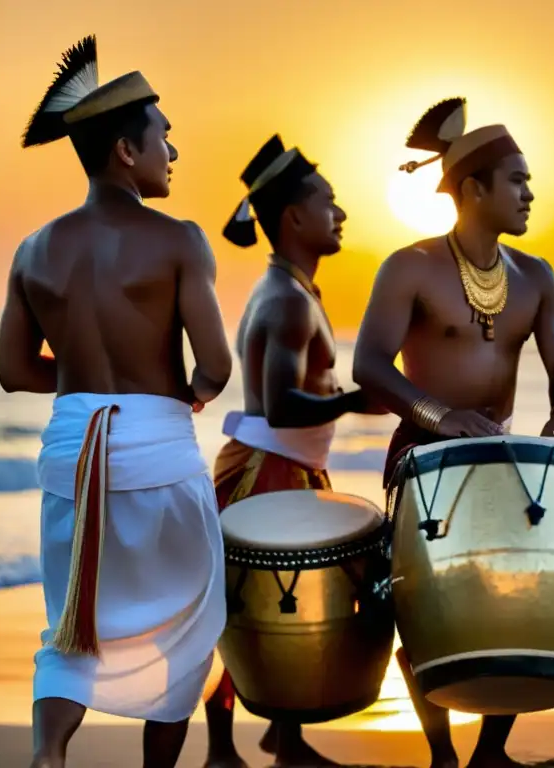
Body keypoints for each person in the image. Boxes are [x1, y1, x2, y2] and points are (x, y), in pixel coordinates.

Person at [0, 35, 232, 768]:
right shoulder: (180, 242)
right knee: (184, 627)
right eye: (164, 136)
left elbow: (11, 372)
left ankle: (49, 757)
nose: (174, 150)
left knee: (73, 626)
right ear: (127, 152)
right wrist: (183, 395)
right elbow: (217, 366)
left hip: (70, 453)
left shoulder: (33, 249)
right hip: (154, 452)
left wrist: (79, 383)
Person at [353, 96, 554, 768]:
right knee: (423, 607)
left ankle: (491, 751)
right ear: (473, 188)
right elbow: (369, 366)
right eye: (517, 181)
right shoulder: (411, 266)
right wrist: (437, 415)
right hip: (425, 456)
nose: (529, 194)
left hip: (508, 456)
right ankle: (442, 755)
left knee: (513, 598)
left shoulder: (537, 277)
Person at [202, 135, 384, 768]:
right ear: (294, 217)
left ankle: (285, 737)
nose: (341, 214)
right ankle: (225, 749)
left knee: (278, 598)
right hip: (265, 467)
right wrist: (355, 402)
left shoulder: (295, 288)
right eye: (328, 202)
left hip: (287, 465)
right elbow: (281, 405)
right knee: (245, 603)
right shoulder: (284, 300)